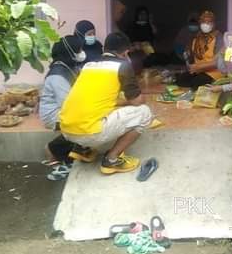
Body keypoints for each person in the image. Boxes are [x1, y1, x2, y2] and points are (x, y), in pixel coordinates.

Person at [59, 32, 153, 175]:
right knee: (144, 112)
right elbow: (136, 101)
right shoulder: (122, 66)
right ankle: (111, 160)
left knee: (99, 106)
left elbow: (93, 98)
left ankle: (82, 149)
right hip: (89, 132)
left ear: (105, 48)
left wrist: (122, 102)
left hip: (66, 129)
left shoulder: (88, 65)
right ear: (125, 52)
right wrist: (136, 100)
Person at [39, 35, 94, 165]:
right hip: (54, 113)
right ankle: (53, 148)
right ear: (70, 51)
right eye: (79, 50)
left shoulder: (69, 66)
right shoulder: (58, 75)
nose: (81, 52)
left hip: (64, 107)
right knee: (87, 120)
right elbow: (67, 104)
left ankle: (78, 148)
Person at [176, 10, 224, 88]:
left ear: (213, 24)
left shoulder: (218, 37)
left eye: (209, 22)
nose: (206, 24)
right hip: (199, 70)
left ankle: (213, 83)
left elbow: (217, 63)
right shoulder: (197, 37)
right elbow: (193, 57)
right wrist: (187, 55)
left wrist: (198, 67)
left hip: (213, 72)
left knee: (196, 83)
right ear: (200, 23)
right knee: (180, 80)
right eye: (204, 22)